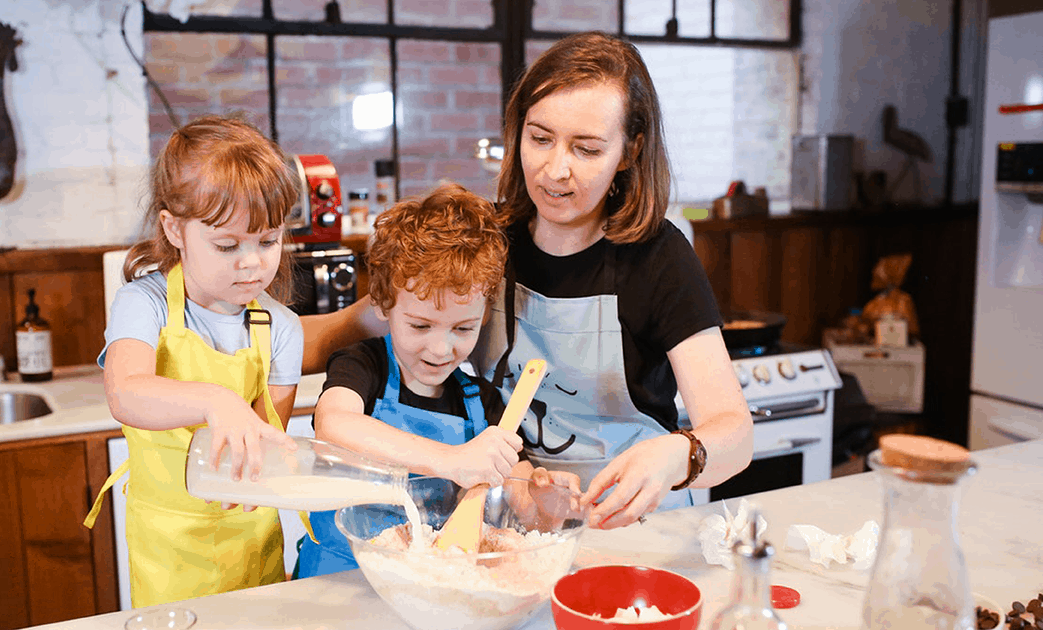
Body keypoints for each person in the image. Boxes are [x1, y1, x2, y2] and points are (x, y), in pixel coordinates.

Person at [302, 32, 753, 531]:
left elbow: (735, 434)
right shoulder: (485, 242)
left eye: (586, 149)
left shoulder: (658, 258)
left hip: (634, 529)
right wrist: (232, 349)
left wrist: (676, 454)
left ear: (629, 151)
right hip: (514, 527)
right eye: (539, 139)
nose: (555, 170)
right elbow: (345, 329)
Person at [293, 183, 579, 578]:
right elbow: (335, 424)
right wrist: (453, 461)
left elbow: (523, 504)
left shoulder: (484, 402)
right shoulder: (364, 366)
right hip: (339, 580)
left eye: (462, 328)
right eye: (420, 325)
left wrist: (547, 505)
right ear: (382, 304)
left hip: (434, 582)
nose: (441, 348)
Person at [83, 115, 304, 606]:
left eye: (268, 241)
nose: (252, 262)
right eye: (227, 245)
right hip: (169, 547)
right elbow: (126, 392)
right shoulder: (145, 304)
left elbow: (264, 446)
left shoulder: (283, 328)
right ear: (174, 229)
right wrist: (216, 401)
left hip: (251, 537)